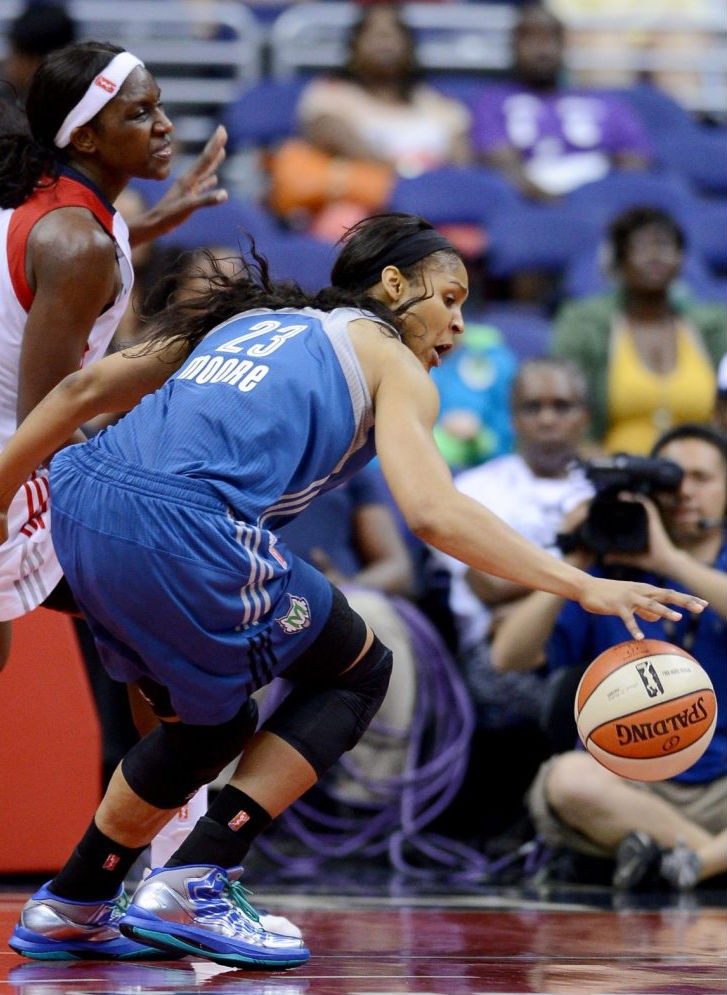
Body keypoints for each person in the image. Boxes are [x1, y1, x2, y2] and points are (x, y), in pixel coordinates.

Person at [0, 213, 706, 969]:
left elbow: (87, 385)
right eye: (448, 298)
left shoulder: (254, 319)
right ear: (393, 285)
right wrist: (578, 583)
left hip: (76, 504)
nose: (459, 324)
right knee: (357, 665)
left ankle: (74, 900)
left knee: (208, 725)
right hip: (184, 528)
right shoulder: (391, 360)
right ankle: (197, 875)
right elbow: (433, 512)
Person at [0, 40, 228, 668]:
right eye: (138, 114)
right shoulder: (80, 245)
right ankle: (178, 766)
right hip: (15, 465)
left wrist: (153, 223)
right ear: (87, 140)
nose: (163, 126)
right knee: (172, 603)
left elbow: (56, 254)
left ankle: (173, 762)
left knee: (156, 621)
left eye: (158, 106)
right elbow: (43, 420)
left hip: (19, 451)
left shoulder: (45, 191)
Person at [490, 423, 726, 888]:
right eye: (671, 479)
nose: (684, 491)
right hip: (630, 780)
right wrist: (572, 564)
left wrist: (671, 563)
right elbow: (507, 656)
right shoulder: (604, 577)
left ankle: (675, 862)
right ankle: (706, 865)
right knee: (567, 780)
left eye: (701, 477)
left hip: (721, 785)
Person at [278, 3, 471, 236]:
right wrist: (400, 175)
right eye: (373, 33)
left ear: (410, 46)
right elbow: (330, 133)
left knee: (463, 234)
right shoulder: (331, 94)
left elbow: (462, 165)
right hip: (359, 205)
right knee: (342, 221)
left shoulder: (438, 104)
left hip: (430, 211)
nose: (383, 39)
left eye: (393, 33)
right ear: (353, 47)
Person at [551, 207, 726, 453]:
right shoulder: (583, 325)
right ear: (619, 259)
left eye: (665, 246)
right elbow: (561, 411)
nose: (655, 256)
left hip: (699, 479)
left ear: (681, 259)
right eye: (641, 247)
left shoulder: (715, 327)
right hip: (612, 475)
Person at [471, 4, 652, 201]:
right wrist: (555, 203)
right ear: (513, 47)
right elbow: (502, 164)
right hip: (532, 207)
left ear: (565, 46)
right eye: (530, 40)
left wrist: (602, 198)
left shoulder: (604, 102)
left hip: (602, 201)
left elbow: (636, 159)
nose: (542, 51)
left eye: (550, 40)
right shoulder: (493, 102)